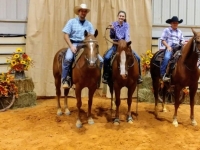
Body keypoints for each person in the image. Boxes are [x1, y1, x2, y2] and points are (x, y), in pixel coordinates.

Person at [62, 3, 103, 88]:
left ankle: (97, 80)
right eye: (81, 11)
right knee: (68, 58)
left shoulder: (89, 24)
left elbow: (92, 36)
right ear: (78, 12)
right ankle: (65, 79)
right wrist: (71, 46)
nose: (83, 13)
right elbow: (66, 35)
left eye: (85, 11)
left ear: (86, 13)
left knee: (101, 60)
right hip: (74, 43)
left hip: (86, 45)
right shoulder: (71, 22)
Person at [102, 10, 143, 84]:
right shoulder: (113, 24)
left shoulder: (126, 25)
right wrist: (112, 30)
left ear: (124, 17)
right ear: (118, 16)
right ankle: (106, 75)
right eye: (120, 16)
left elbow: (127, 35)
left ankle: (138, 76)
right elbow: (111, 36)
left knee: (138, 58)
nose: (121, 17)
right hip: (116, 45)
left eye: (123, 16)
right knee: (107, 57)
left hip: (125, 45)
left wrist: (126, 43)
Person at [160, 16, 185, 81]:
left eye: (176, 23)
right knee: (167, 57)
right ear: (171, 23)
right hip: (170, 47)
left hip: (178, 48)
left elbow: (182, 40)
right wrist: (168, 46)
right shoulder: (166, 30)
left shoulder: (180, 31)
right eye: (174, 23)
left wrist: (183, 43)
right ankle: (163, 74)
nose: (175, 24)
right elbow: (163, 40)